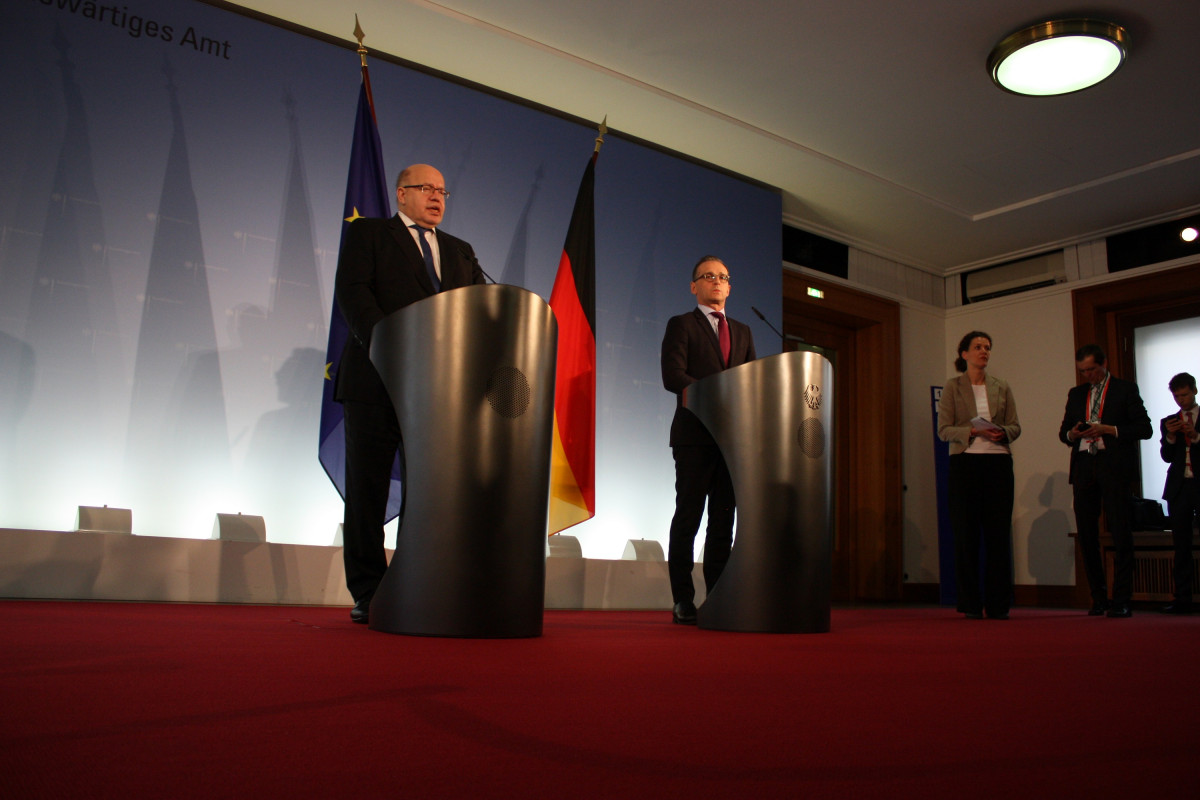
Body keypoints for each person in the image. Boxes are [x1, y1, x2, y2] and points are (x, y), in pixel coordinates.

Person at [334, 164, 486, 624]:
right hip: (377, 379)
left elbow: (480, 306)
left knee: (431, 494)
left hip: (438, 389)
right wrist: (390, 347)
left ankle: (421, 581)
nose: (437, 197)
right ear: (402, 194)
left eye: (443, 190)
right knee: (369, 489)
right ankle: (369, 590)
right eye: (426, 189)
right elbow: (354, 294)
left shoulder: (461, 251)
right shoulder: (371, 235)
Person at [660, 256, 756, 625]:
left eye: (723, 277)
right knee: (689, 516)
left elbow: (751, 382)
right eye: (708, 276)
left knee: (723, 520)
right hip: (695, 436)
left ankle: (717, 595)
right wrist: (716, 396)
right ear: (694, 286)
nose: (716, 282)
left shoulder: (744, 331)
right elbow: (673, 376)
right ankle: (683, 599)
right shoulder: (681, 324)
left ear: (729, 287)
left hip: (732, 441)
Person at [1058, 344, 1153, 618]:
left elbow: (1144, 428)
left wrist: (1108, 429)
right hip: (1084, 468)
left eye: (1092, 369)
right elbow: (1063, 432)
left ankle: (1122, 599)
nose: (1088, 375)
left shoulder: (1125, 389)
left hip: (1114, 468)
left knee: (1121, 532)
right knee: (1087, 535)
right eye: (1083, 371)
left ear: (1104, 364)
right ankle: (1098, 597)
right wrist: (1074, 434)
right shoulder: (1077, 394)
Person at [937, 331, 1021, 620]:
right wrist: (973, 431)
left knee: (998, 535)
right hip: (966, 465)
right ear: (964, 354)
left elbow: (1015, 426)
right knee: (966, 535)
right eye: (977, 347)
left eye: (987, 347)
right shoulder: (953, 387)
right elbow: (944, 429)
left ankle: (998, 604)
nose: (984, 351)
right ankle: (971, 603)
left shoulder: (1002, 386)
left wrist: (1001, 432)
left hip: (998, 463)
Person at [1158, 371, 1198, 614]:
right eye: (1176, 396)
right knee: (1181, 545)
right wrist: (1171, 437)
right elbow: (1166, 457)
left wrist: (1196, 436)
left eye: (1184, 394)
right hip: (1179, 487)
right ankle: (1182, 599)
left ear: (1194, 390)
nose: (1181, 400)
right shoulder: (1168, 421)